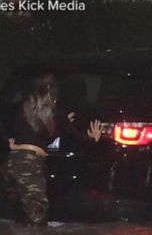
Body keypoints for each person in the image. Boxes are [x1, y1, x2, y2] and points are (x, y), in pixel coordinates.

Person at [0, 73, 102, 226]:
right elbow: (77, 137)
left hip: (10, 163)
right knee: (37, 217)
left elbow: (39, 134)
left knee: (17, 215)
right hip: (29, 166)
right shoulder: (55, 112)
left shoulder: (21, 108)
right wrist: (93, 137)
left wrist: (8, 142)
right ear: (53, 94)